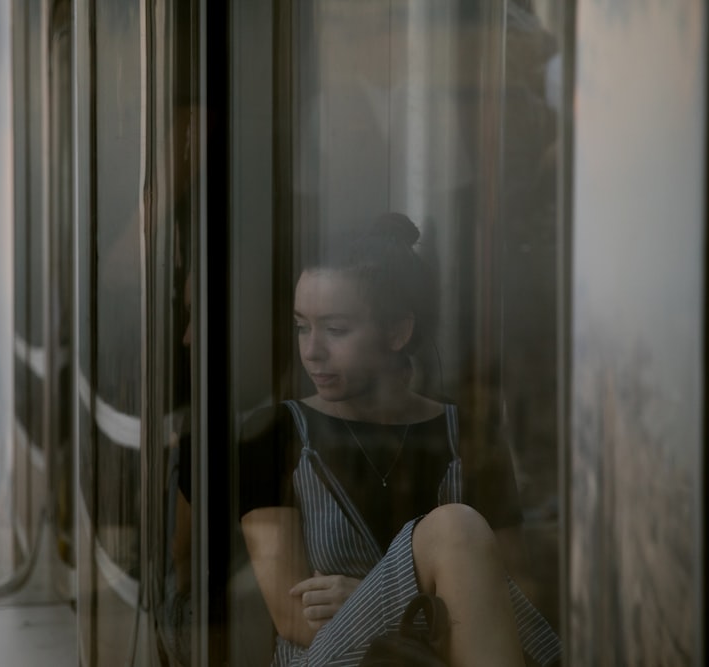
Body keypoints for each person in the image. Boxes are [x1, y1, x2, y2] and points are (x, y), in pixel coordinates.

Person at [238, 212, 561, 666]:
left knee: (455, 531)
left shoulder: (467, 435)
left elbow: (522, 595)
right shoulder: (273, 433)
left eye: (335, 329)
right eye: (301, 327)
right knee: (455, 530)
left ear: (397, 332)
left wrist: (362, 593)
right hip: (331, 661)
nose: (312, 350)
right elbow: (296, 619)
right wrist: (443, 601)